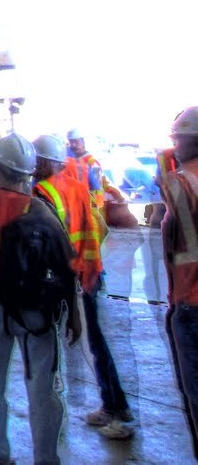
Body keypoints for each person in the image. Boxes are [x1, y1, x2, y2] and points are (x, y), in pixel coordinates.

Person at [0, 132, 81, 465]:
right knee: (43, 389)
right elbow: (67, 267)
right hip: (36, 312)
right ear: (27, 174)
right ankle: (46, 458)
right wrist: (74, 315)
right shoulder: (41, 209)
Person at [34, 133, 132, 440]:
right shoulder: (75, 186)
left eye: (36, 160)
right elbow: (98, 228)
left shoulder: (43, 192)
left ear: (46, 162)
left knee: (82, 346)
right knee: (95, 344)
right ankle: (115, 406)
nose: (33, 165)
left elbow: (46, 242)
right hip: (87, 273)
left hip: (70, 278)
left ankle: (118, 414)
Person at [159, 106, 198, 458]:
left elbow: (173, 231)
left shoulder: (181, 182)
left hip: (192, 302)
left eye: (177, 139)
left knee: (196, 395)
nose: (172, 145)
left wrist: (167, 159)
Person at [66, 127, 107, 211]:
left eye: (76, 141)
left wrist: (96, 207)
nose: (73, 145)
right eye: (71, 142)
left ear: (83, 141)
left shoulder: (93, 163)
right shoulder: (69, 161)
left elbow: (97, 188)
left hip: (90, 206)